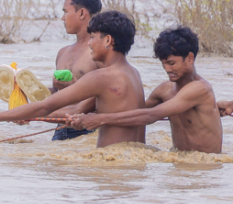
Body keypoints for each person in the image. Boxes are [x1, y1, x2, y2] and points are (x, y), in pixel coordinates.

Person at [0, 11, 145, 148]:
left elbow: (45, 106)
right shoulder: (133, 74)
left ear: (108, 40)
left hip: (112, 164)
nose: (89, 43)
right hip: (135, 157)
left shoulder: (101, 77)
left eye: (93, 37)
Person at [66, 26, 222, 154]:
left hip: (204, 167)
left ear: (189, 58)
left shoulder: (200, 89)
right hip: (178, 161)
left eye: (171, 63)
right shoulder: (164, 90)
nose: (167, 69)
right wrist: (84, 118)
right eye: (163, 64)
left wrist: (100, 119)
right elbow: (133, 111)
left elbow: (150, 115)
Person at [48, 0, 104, 141]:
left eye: (66, 12)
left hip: (89, 131)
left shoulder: (100, 52)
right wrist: (27, 92)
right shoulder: (62, 52)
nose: (62, 18)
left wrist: (33, 114)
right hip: (61, 127)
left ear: (81, 13)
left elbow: (105, 95)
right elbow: (54, 95)